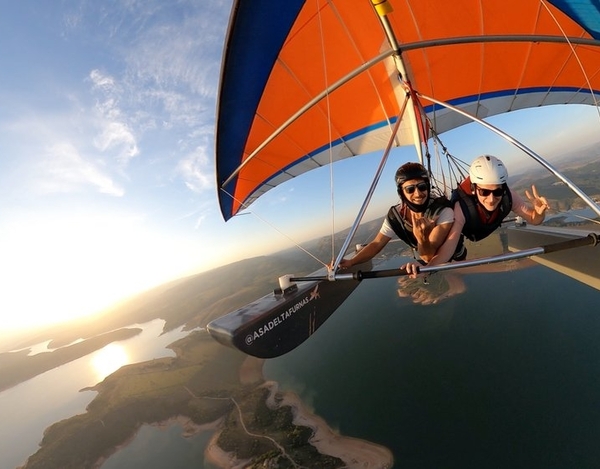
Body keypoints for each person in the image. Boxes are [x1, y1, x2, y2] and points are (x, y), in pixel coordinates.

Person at [404, 154, 550, 276]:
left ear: (503, 188)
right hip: (467, 228)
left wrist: (538, 213)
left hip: (482, 226)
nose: (491, 199)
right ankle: (460, 251)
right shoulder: (461, 209)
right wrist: (426, 268)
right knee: (456, 250)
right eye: (484, 192)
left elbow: (534, 220)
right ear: (474, 189)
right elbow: (447, 250)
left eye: (497, 191)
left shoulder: (508, 196)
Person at [338, 162, 454, 269]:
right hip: (427, 262)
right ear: (401, 192)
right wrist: (351, 262)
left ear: (428, 187)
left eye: (422, 186)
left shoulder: (442, 211)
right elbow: (377, 243)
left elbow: (428, 257)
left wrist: (422, 239)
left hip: (451, 261)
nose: (418, 193)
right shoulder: (396, 216)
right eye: (410, 189)